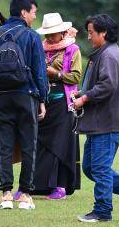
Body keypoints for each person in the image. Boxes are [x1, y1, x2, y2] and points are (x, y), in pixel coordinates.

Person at [71, 13, 119, 223]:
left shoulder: (110, 55)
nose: (88, 37)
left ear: (103, 33)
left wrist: (84, 98)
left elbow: (107, 85)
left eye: (91, 32)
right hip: (97, 123)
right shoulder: (102, 53)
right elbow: (101, 84)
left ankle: (102, 211)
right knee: (89, 168)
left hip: (107, 123)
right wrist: (82, 92)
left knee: (100, 169)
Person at [0, 0, 48, 211]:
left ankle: (6, 194)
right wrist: (42, 99)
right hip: (26, 95)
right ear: (23, 12)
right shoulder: (32, 37)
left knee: (5, 145)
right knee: (29, 144)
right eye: (34, 13)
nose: (34, 17)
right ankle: (26, 195)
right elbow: (40, 72)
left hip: (2, 96)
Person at [33, 12, 83, 200]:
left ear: (62, 32)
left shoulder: (73, 50)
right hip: (44, 102)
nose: (49, 37)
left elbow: (77, 76)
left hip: (64, 103)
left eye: (53, 33)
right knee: (41, 143)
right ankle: (38, 186)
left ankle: (60, 187)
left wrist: (56, 74)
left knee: (60, 145)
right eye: (47, 33)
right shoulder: (41, 49)